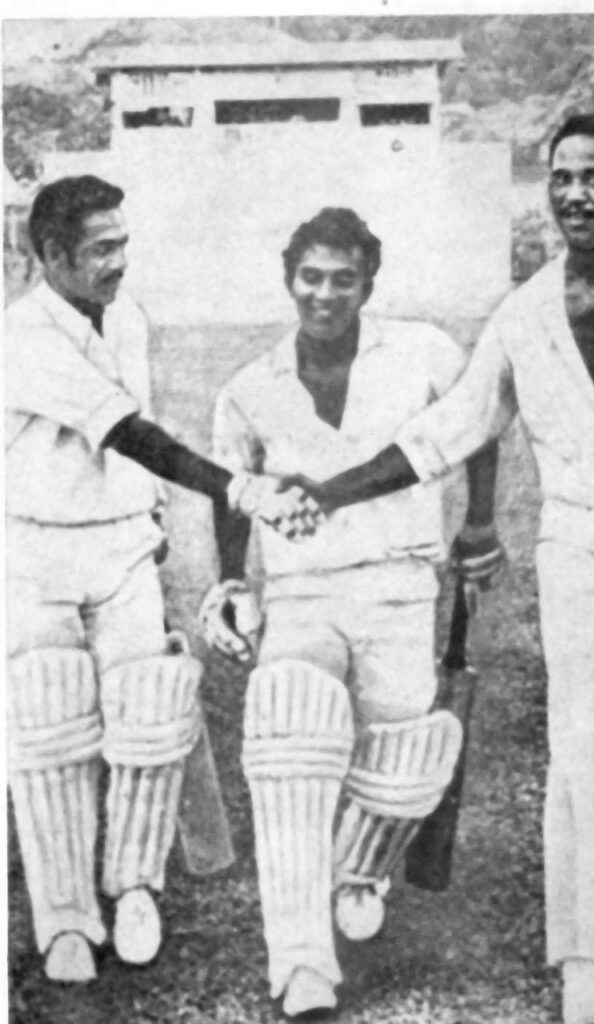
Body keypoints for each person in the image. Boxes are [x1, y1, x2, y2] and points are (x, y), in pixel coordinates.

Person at [290, 116, 594, 1024]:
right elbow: (448, 429)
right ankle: (586, 958)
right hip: (575, 539)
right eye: (560, 178)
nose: (575, 195)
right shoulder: (526, 311)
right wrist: (334, 488)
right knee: (581, 747)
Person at [5, 175, 315, 984]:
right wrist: (237, 487)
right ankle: (67, 920)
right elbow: (132, 433)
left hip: (120, 553)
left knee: (150, 714)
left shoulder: (129, 321)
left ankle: (136, 886)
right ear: (49, 256)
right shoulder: (21, 338)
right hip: (34, 557)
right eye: (101, 249)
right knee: (49, 730)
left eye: (122, 243)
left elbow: (125, 458)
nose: (119, 262)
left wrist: (145, 520)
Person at [199, 206, 504, 1019]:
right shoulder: (251, 384)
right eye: (311, 277)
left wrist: (479, 522)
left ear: (369, 282)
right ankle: (301, 959)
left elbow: (477, 429)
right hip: (300, 589)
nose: (325, 294)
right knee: (290, 729)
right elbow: (234, 493)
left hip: (402, 583)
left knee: (403, 763)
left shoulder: (424, 352)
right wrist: (233, 582)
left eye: (343, 279)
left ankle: (360, 866)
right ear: (288, 278)